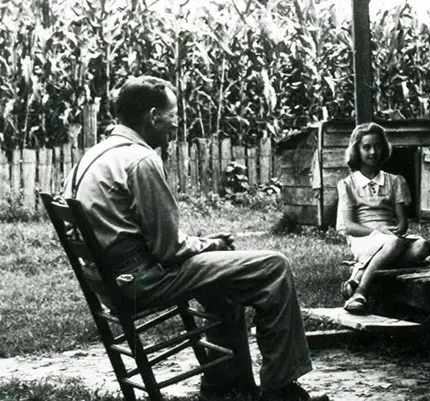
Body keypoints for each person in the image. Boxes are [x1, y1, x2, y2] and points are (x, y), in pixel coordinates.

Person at [63, 76, 327, 401]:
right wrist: (211, 244)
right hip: (142, 282)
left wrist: (205, 245)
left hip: (108, 281)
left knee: (225, 284)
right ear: (152, 116)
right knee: (274, 266)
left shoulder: (95, 156)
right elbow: (169, 249)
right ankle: (281, 390)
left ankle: (228, 384)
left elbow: (144, 238)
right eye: (173, 115)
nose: (175, 125)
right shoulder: (140, 161)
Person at [336, 122, 430, 315]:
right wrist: (380, 232)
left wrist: (398, 229)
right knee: (394, 244)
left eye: (378, 146)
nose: (373, 152)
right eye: (367, 147)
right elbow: (350, 226)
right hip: (364, 238)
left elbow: (402, 222)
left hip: (391, 237)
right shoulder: (348, 184)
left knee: (423, 245)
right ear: (356, 150)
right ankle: (361, 293)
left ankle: (359, 274)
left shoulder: (394, 181)